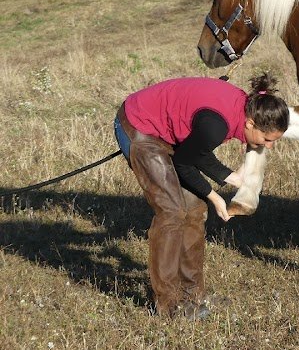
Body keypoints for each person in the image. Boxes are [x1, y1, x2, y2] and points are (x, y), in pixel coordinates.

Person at [112, 73, 289, 319]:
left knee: (194, 210)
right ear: (250, 123)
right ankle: (169, 305)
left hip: (171, 135)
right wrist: (218, 194)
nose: (269, 146)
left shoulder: (245, 109)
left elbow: (193, 153)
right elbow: (186, 161)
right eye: (267, 139)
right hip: (140, 126)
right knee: (172, 212)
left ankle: (193, 295)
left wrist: (225, 180)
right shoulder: (216, 126)